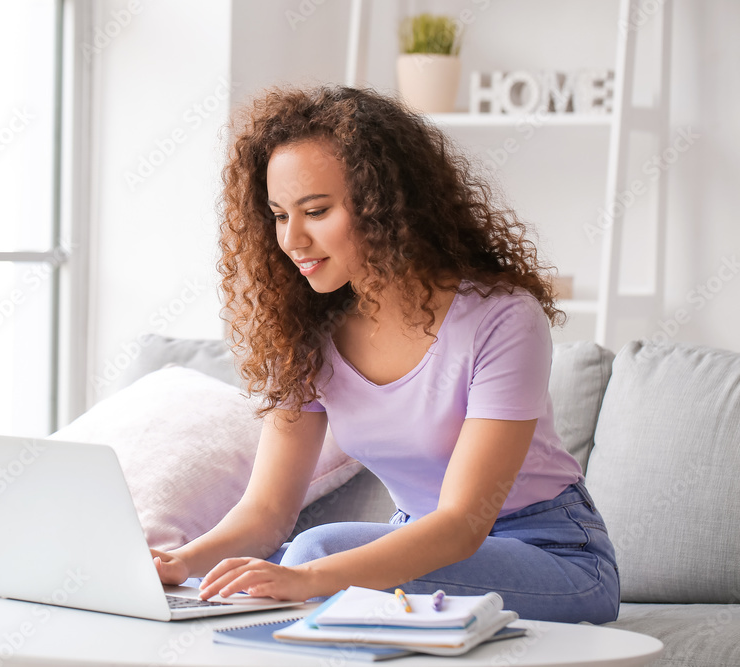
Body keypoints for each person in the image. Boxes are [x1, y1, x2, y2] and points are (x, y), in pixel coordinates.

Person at [150, 85, 620, 624]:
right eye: (279, 215)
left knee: (310, 558)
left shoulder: (502, 317)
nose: (293, 239)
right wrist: (177, 565)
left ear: (386, 206)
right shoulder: (306, 330)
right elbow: (266, 511)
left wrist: (308, 579)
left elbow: (464, 523)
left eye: (317, 210)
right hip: (416, 546)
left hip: (551, 556)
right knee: (264, 572)